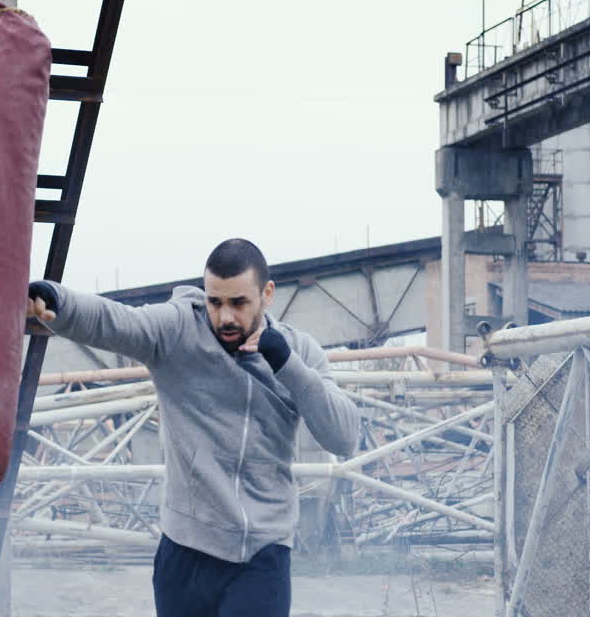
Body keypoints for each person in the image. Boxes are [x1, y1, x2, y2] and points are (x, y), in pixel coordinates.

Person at [27, 238, 360, 617]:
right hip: (185, 554)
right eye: (215, 302)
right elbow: (117, 321)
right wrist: (56, 299)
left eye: (239, 302)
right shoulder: (178, 330)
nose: (224, 317)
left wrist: (284, 361)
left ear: (267, 294)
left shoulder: (299, 350)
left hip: (262, 555)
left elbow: (344, 437)